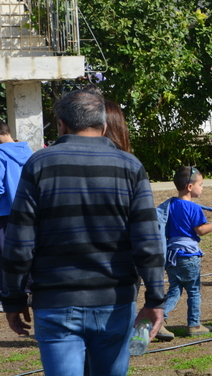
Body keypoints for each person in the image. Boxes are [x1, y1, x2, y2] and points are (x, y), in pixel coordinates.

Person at [0, 89, 165, 375]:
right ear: (103, 125)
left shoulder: (39, 165)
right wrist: (155, 299)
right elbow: (148, 241)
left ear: (62, 124)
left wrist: (13, 298)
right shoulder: (130, 167)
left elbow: (19, 242)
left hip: (55, 303)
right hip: (114, 302)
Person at [159, 167, 212, 339]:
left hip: (172, 256)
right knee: (194, 291)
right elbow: (201, 230)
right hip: (189, 257)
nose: (202, 188)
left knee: (175, 290)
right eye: (200, 185)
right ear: (189, 187)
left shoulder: (169, 205)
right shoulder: (193, 208)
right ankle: (194, 325)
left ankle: (157, 320)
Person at [0, 122, 33, 308]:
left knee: (5, 255)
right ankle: (28, 290)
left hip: (4, 213)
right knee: (26, 251)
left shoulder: (0, 155)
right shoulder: (29, 152)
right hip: (27, 211)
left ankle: (7, 294)